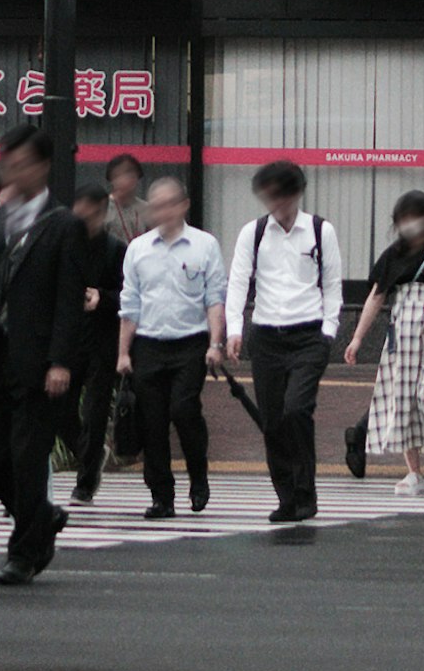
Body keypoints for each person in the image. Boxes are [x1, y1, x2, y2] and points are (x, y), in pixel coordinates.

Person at [0, 124, 84, 586]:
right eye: (8, 161)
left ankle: (24, 553)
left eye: (22, 161)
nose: (12, 169)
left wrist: (61, 360)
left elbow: (68, 300)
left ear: (43, 166)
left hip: (39, 361)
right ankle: (40, 515)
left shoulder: (64, 225)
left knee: (28, 457)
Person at [224, 160, 346, 534]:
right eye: (267, 195)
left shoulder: (320, 230)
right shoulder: (254, 232)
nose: (273, 202)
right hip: (266, 335)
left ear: (295, 193)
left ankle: (305, 492)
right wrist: (234, 329)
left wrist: (328, 332)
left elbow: (333, 285)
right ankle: (286, 497)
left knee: (297, 409)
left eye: (279, 194)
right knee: (273, 419)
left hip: (308, 334)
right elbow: (239, 281)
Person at [115, 169, 226, 515]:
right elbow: (129, 304)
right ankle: (161, 496)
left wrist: (215, 344)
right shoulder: (138, 249)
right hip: (148, 344)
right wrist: (123, 352)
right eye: (156, 206)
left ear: (184, 206)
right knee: (152, 421)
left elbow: (214, 299)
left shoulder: (205, 245)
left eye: (168, 205)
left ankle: (198, 476)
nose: (162, 212)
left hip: (190, 343)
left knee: (184, 409)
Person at [343, 193, 424, 496]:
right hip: (402, 333)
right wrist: (357, 337)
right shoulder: (393, 255)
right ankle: (414, 471)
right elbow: (377, 295)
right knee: (404, 401)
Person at [62, 177, 127, 502]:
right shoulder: (64, 245)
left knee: (96, 411)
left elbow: (129, 296)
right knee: (60, 407)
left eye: (88, 214)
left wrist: (102, 298)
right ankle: (89, 452)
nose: (81, 219)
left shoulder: (116, 250)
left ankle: (85, 481)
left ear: (101, 214)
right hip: (69, 338)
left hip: (104, 339)